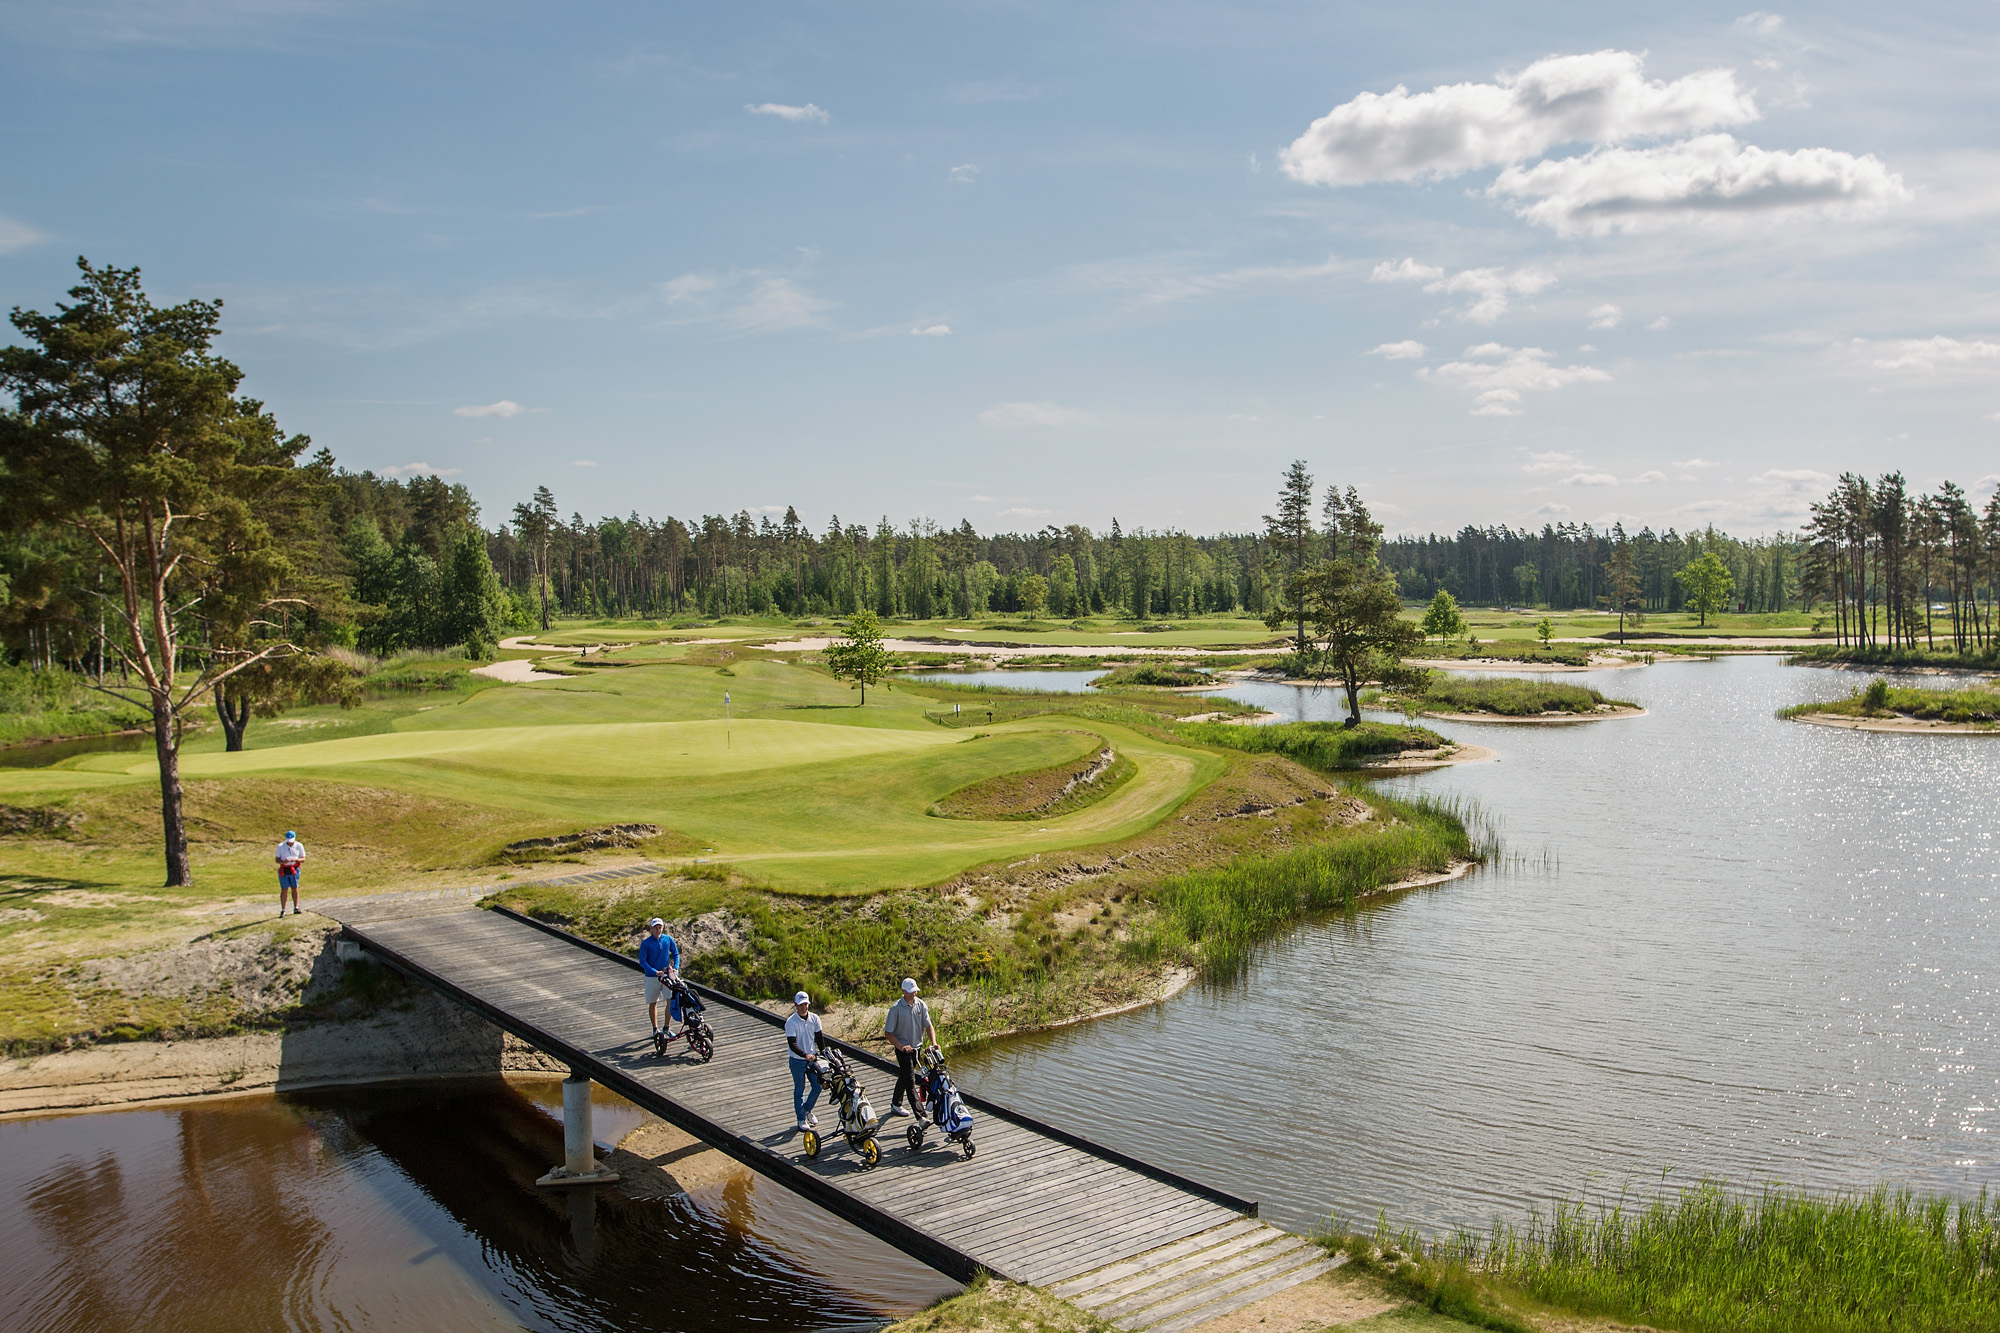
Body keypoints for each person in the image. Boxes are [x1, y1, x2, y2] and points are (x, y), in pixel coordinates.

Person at [881, 977, 936, 1119]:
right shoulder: (896, 1009)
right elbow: (888, 1033)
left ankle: (895, 1104)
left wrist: (934, 1042)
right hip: (903, 1050)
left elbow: (928, 1026)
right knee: (911, 1081)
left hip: (916, 1048)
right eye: (910, 992)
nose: (913, 994)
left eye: (915, 991)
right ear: (903, 991)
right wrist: (901, 1047)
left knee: (905, 1076)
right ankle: (921, 1116)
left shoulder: (921, 1005)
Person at [785, 991, 823, 1132]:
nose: (804, 1007)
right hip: (797, 1061)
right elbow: (792, 1044)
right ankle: (801, 1119)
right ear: (795, 1005)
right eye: (801, 1005)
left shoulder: (815, 1018)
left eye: (806, 1004)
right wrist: (804, 1054)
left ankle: (806, 1110)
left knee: (817, 1086)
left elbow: (819, 1039)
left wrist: (824, 1052)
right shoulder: (791, 1022)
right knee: (799, 1089)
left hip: (811, 1059)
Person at [639, 917, 682, 1039]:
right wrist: (654, 971)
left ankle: (666, 1028)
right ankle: (655, 1029)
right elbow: (642, 961)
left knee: (670, 1000)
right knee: (653, 1002)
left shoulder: (667, 939)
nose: (658, 930)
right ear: (651, 929)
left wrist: (675, 967)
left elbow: (675, 953)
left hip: (666, 976)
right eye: (656, 927)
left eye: (660, 927)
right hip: (652, 977)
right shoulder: (646, 943)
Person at [274, 830, 306, 917]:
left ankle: (296, 907)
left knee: (294, 888)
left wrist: (295, 860)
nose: (290, 843)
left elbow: (303, 859)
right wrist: (284, 861)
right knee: (284, 889)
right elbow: (277, 859)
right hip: (284, 869)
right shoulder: (280, 846)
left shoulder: (299, 845)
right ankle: (283, 909)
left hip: (294, 869)